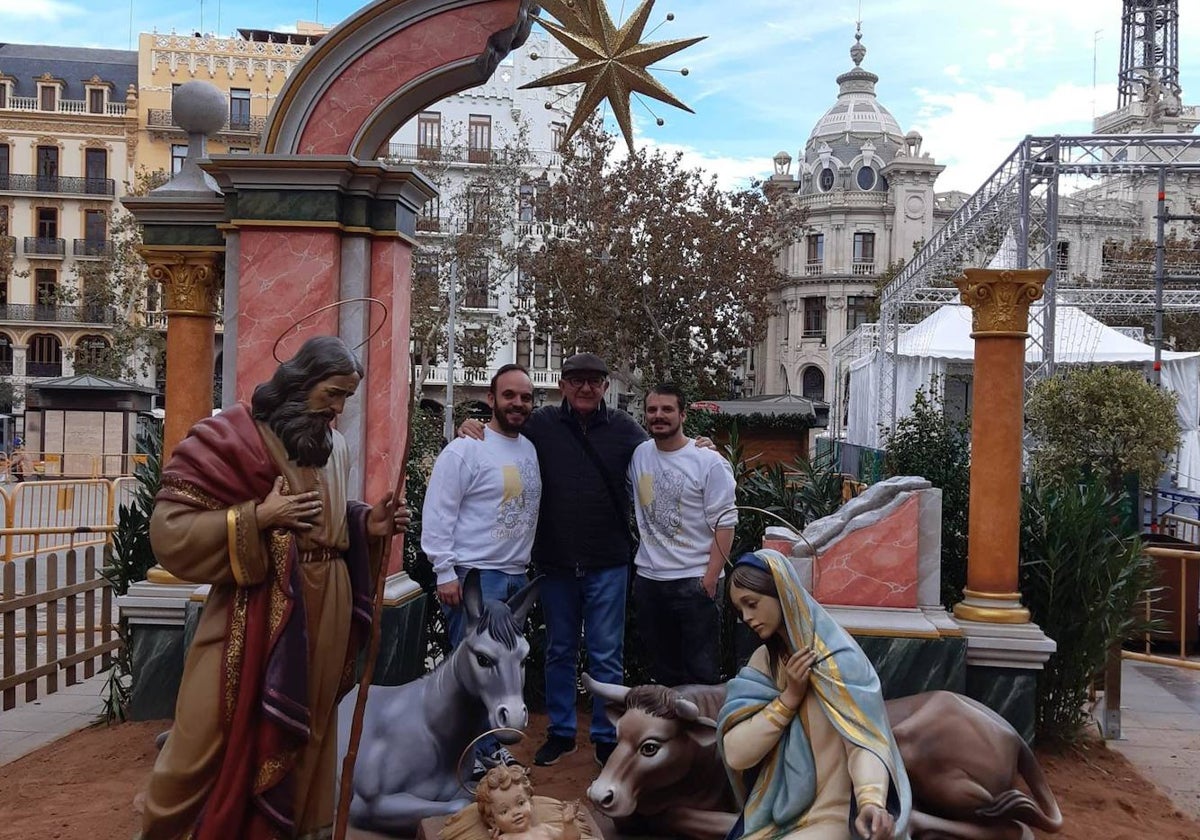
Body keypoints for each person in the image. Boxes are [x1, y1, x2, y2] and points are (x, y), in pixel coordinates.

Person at [137, 336, 410, 840]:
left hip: (327, 598)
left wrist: (368, 525)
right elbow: (170, 529)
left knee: (312, 728)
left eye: (347, 397)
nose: (338, 408)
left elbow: (332, 518)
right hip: (255, 609)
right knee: (203, 735)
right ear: (300, 383)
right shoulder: (235, 437)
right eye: (331, 393)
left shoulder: (337, 446)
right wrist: (258, 516)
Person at [460, 353, 646, 768]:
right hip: (556, 563)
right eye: (577, 380)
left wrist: (701, 445)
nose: (585, 388)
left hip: (607, 562)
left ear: (604, 386)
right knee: (559, 650)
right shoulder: (540, 425)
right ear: (562, 385)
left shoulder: (624, 429)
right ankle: (561, 732)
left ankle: (604, 735)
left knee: (606, 654)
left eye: (594, 381)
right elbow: (499, 431)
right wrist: (469, 426)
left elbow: (664, 452)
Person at [718, 550, 911, 840]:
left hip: (830, 818)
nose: (747, 617)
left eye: (752, 604)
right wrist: (788, 700)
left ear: (782, 593)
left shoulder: (839, 660)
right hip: (773, 816)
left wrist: (871, 802)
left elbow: (866, 743)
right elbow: (736, 753)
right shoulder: (765, 663)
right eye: (740, 609)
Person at [422, 363, 541, 775]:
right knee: (471, 673)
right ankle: (461, 756)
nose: (518, 403)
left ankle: (488, 750)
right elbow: (438, 511)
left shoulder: (529, 447)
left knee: (500, 675)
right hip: (476, 576)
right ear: (491, 398)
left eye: (525, 397)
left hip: (515, 577)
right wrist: (444, 570)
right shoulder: (465, 449)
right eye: (509, 395)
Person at [629, 383, 736, 686]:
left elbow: (725, 523)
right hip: (650, 582)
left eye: (667, 409)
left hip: (695, 582)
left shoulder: (709, 461)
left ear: (683, 414)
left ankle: (701, 734)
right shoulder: (639, 455)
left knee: (701, 675)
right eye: (652, 410)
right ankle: (669, 735)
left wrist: (711, 578)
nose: (658, 415)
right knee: (662, 675)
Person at [474, 765, 582, 840]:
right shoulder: (504, 838)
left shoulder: (544, 829)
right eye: (504, 811)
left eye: (520, 803)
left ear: (530, 802)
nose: (515, 812)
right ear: (493, 821)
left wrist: (569, 823)